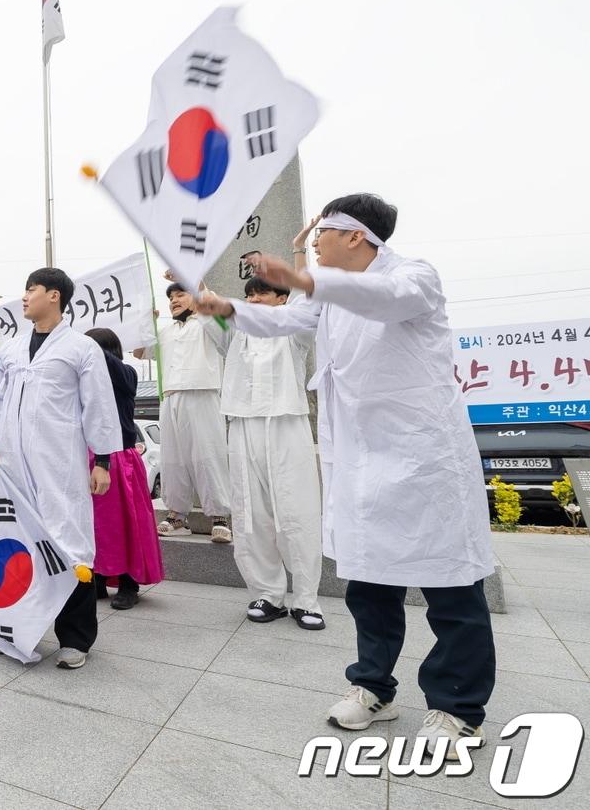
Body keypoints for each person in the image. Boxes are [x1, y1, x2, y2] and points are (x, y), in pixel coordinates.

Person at [194, 193, 496, 757]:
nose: (312, 247)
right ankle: (374, 686)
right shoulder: (326, 297)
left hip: (422, 458)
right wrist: (226, 308)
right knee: (369, 582)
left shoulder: (413, 276)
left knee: (450, 585)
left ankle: (458, 708)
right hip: (362, 459)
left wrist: (308, 279)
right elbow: (285, 320)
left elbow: (385, 300)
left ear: (355, 235)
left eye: (320, 236)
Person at [0, 268, 121, 669]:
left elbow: (99, 406)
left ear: (54, 295)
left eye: (30, 290)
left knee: (67, 542)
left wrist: (103, 460)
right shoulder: (11, 350)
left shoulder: (80, 349)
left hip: (60, 465)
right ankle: (19, 628)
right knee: (16, 543)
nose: (23, 297)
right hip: (12, 465)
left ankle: (76, 639)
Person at [220, 274, 325, 630]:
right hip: (243, 425)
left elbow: (310, 301)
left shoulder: (293, 333)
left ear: (283, 300)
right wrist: (193, 279)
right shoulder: (236, 336)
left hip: (285, 423)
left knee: (297, 510)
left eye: (262, 293)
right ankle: (268, 593)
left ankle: (307, 599)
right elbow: (211, 310)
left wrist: (297, 256)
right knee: (251, 511)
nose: (254, 300)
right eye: (249, 295)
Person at [134, 280, 232, 542]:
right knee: (172, 459)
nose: (174, 300)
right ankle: (177, 514)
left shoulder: (210, 323)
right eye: (171, 297)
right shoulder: (165, 331)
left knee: (208, 455)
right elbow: (139, 351)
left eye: (180, 294)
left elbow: (224, 331)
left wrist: (198, 284)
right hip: (169, 397)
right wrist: (145, 322)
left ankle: (220, 516)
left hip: (203, 393)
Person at [83, 328, 164, 611]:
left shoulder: (127, 373)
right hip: (89, 457)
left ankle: (129, 583)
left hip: (120, 459)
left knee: (127, 524)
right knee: (96, 525)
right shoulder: (84, 380)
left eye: (91, 346)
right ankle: (98, 578)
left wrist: (86, 346)